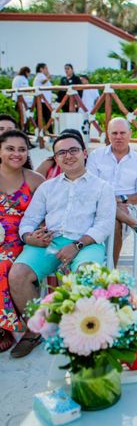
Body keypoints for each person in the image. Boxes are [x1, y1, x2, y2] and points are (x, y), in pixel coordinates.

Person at [8, 132, 115, 358]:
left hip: (86, 242)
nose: (68, 156)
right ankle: (35, 329)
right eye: (61, 153)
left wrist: (76, 245)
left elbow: (104, 225)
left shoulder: (102, 187)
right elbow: (28, 220)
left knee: (88, 275)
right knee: (18, 273)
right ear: (55, 159)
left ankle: (82, 332)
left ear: (85, 153)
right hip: (50, 241)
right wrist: (29, 237)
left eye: (73, 150)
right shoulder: (47, 187)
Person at [0, 130, 45, 352]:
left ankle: (5, 326)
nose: (16, 154)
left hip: (21, 238)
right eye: (10, 148)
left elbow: (48, 216)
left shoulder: (36, 180)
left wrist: (38, 232)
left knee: (3, 265)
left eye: (21, 149)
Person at [87, 118, 137, 265]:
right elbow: (89, 188)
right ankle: (112, 270)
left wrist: (120, 199)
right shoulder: (95, 156)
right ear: (108, 134)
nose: (118, 137)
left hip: (125, 208)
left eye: (122, 133)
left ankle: (110, 268)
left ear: (130, 134)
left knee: (114, 220)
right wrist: (110, 200)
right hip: (95, 206)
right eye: (114, 133)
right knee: (111, 212)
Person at [33, 63, 53, 131]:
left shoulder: (41, 76)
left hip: (43, 101)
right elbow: (43, 82)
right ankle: (50, 133)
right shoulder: (40, 75)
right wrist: (48, 77)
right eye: (46, 68)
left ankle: (37, 131)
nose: (47, 70)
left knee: (41, 117)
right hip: (43, 101)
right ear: (41, 69)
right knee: (47, 117)